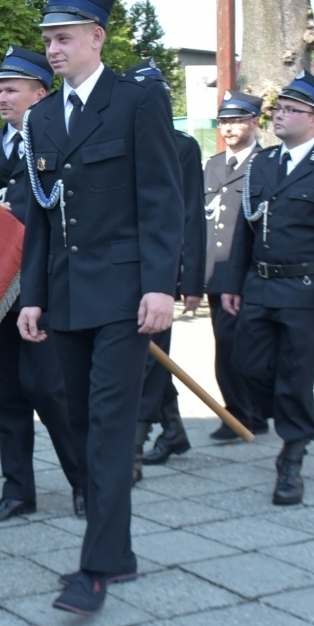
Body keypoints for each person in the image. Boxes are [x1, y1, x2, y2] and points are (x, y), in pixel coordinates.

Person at [18, 0, 184, 616]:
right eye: (48, 40)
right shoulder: (40, 117)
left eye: (63, 38)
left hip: (122, 296)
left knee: (111, 430)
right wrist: (32, 296)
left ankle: (95, 567)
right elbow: (39, 218)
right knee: (83, 424)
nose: (53, 50)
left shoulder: (136, 102)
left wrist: (158, 286)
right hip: (63, 298)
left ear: (96, 37)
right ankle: (118, 552)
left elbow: (161, 199)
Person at [221, 72, 314, 506]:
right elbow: (245, 227)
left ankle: (292, 456)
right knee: (247, 364)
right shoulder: (263, 162)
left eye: (290, 110)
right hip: (260, 284)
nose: (280, 116)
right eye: (278, 109)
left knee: (296, 374)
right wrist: (232, 280)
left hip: (307, 289)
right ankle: (297, 420)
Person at [0, 47, 87, 522]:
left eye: (12, 88)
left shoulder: (63, 141)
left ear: (41, 93)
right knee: (7, 395)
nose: (2, 97)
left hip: (46, 289)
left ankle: (84, 482)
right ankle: (18, 489)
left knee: (51, 391)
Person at [133, 60, 205, 472]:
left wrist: (191, 280)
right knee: (147, 357)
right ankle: (173, 429)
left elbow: (190, 215)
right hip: (122, 269)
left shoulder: (182, 147)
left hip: (162, 272)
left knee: (150, 356)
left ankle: (136, 445)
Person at [202, 92, 270, 440]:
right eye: (224, 121)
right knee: (225, 348)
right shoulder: (213, 165)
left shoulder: (266, 163)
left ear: (255, 121)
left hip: (247, 275)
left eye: (237, 120)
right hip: (216, 274)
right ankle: (239, 411)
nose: (229, 128)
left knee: (245, 349)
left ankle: (250, 413)